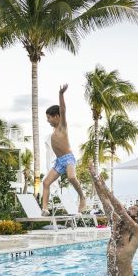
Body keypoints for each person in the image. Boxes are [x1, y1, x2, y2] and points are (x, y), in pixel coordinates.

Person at [88, 162, 138, 276]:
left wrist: (105, 188)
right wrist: (94, 178)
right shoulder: (116, 223)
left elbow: (120, 210)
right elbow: (104, 201)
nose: (130, 209)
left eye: (134, 209)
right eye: (130, 207)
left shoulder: (137, 231)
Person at [41, 84, 86, 215]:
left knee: (72, 177)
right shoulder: (54, 131)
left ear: (56, 116)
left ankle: (82, 197)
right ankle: (44, 209)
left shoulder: (62, 126)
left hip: (68, 158)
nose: (47, 120)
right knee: (46, 182)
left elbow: (63, 109)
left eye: (49, 117)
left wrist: (61, 94)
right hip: (59, 161)